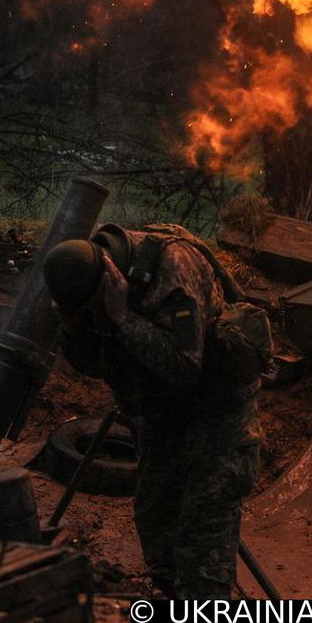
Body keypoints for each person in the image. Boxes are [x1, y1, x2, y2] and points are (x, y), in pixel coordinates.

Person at [43, 223, 265, 600]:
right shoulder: (86, 273)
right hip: (163, 416)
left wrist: (122, 319)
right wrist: (75, 328)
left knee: (202, 551)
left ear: (109, 278)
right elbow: (93, 362)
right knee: (156, 524)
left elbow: (183, 369)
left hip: (217, 418)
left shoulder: (173, 270)